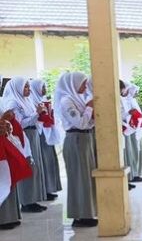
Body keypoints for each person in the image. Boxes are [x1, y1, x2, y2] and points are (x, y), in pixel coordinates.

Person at [54, 72, 98, 228]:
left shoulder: (78, 98)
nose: (85, 86)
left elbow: (88, 122)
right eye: (83, 83)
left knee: (86, 177)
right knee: (79, 178)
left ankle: (87, 213)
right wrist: (89, 109)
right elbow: (79, 123)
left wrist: (91, 115)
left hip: (85, 139)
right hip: (76, 140)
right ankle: (79, 216)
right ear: (73, 84)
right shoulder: (66, 101)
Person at [1, 77, 47, 213]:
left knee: (34, 166)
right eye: (26, 86)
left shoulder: (27, 100)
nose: (29, 89)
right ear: (18, 88)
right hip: (21, 135)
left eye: (28, 86)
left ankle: (33, 198)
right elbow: (20, 123)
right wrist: (36, 115)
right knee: (26, 164)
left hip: (31, 134)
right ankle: (27, 201)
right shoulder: (12, 102)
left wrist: (39, 115)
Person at [28, 79, 62, 201]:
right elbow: (34, 118)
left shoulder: (43, 101)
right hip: (40, 135)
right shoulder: (31, 102)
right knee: (43, 162)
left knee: (49, 161)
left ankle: (50, 188)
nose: (45, 90)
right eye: (42, 87)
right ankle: (44, 190)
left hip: (47, 135)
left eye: (45, 87)